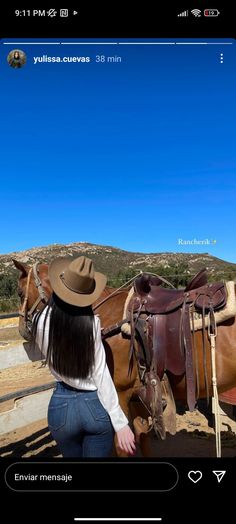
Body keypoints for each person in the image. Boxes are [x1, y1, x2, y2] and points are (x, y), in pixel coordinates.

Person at [32, 255, 136, 458]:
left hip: (60, 407)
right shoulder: (92, 324)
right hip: (93, 405)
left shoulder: (38, 321)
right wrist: (121, 423)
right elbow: (100, 374)